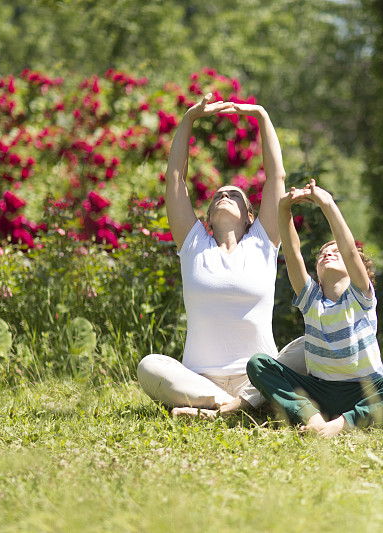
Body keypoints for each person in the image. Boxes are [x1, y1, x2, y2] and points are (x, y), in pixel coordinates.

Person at [137, 92, 305, 418]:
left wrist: (260, 115)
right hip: (200, 378)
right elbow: (175, 179)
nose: (225, 195)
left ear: (249, 216)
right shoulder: (194, 244)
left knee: (310, 346)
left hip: (258, 375)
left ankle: (223, 408)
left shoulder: (263, 241)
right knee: (149, 365)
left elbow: (276, 178)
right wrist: (188, 119)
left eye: (234, 195)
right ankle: (232, 406)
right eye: (218, 195)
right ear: (209, 217)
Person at [246, 179, 383, 437]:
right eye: (321, 254)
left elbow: (350, 249)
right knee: (259, 365)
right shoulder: (311, 300)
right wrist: (283, 209)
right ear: (317, 274)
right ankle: (313, 416)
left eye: (335, 251)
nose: (328, 253)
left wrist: (327, 203)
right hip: (321, 392)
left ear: (355, 270)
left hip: (366, 390)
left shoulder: (361, 296)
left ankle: (343, 423)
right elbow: (293, 251)